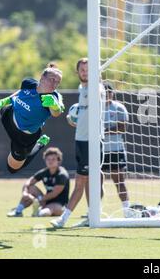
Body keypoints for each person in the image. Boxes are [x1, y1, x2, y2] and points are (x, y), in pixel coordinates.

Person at [50, 58, 106, 228]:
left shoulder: (97, 87)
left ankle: (63, 219)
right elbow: (85, 114)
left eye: (88, 69)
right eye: (82, 69)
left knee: (81, 181)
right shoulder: (81, 88)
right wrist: (74, 119)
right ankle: (92, 215)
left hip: (92, 142)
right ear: (77, 72)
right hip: (80, 141)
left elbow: (96, 100)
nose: (85, 72)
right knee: (89, 181)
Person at [0, 63, 64, 174]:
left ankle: (39, 144)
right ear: (42, 78)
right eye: (51, 79)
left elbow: (57, 111)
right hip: (8, 116)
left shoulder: (53, 97)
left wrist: (55, 106)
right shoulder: (29, 83)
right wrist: (2, 101)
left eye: (57, 82)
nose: (54, 84)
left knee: (12, 168)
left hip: (24, 137)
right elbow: (20, 93)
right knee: (3, 108)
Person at [7, 147, 70, 217]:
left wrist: (38, 199)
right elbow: (29, 182)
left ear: (59, 161)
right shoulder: (45, 172)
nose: (50, 161)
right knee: (31, 188)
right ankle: (18, 211)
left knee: (44, 213)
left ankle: (39, 211)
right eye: (48, 159)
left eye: (53, 159)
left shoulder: (62, 174)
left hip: (59, 204)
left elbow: (54, 194)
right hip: (45, 200)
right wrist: (25, 193)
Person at [102, 82, 130, 214]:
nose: (106, 95)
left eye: (109, 92)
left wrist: (104, 131)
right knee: (96, 182)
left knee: (118, 180)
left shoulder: (118, 108)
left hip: (115, 149)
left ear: (112, 94)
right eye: (103, 93)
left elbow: (122, 128)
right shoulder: (95, 108)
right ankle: (95, 210)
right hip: (99, 150)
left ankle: (126, 209)